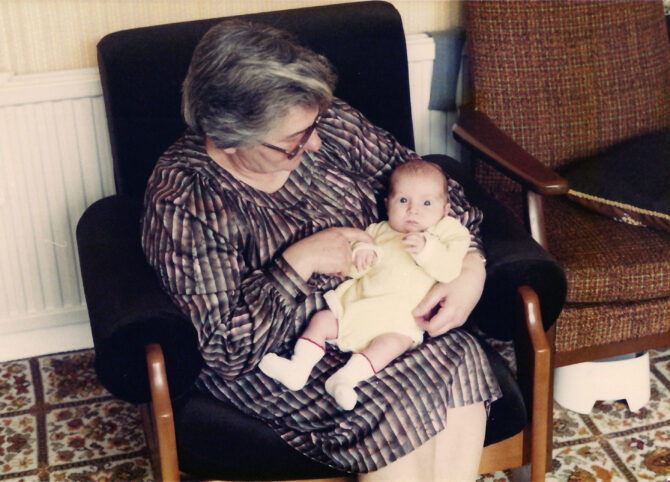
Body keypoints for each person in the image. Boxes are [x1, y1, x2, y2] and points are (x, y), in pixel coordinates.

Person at [141, 19, 501, 481]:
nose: (314, 142)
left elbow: (435, 191)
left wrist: (471, 267)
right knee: (391, 400)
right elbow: (225, 348)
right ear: (230, 140)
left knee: (460, 356)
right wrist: (300, 261)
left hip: (387, 314)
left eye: (312, 125)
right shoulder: (185, 197)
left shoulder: (322, 121)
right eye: (294, 141)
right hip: (285, 354)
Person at [259, 159, 471, 411]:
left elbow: (449, 270)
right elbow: (352, 268)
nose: (413, 211)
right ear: (387, 204)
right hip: (357, 308)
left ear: (445, 210)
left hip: (398, 323)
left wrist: (427, 250)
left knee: (391, 347)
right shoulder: (378, 231)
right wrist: (360, 256)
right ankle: (298, 367)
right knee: (322, 320)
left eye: (427, 203)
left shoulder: (448, 233)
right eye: (403, 200)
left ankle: (345, 380)